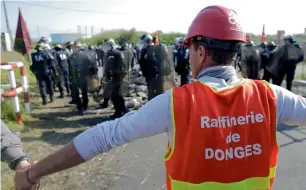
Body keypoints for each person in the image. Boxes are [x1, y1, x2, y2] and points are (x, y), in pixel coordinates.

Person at [15, 5, 306, 190]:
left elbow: (103, 137)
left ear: (200, 51)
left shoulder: (176, 103)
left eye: (191, 49)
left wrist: (32, 173)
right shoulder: (271, 96)